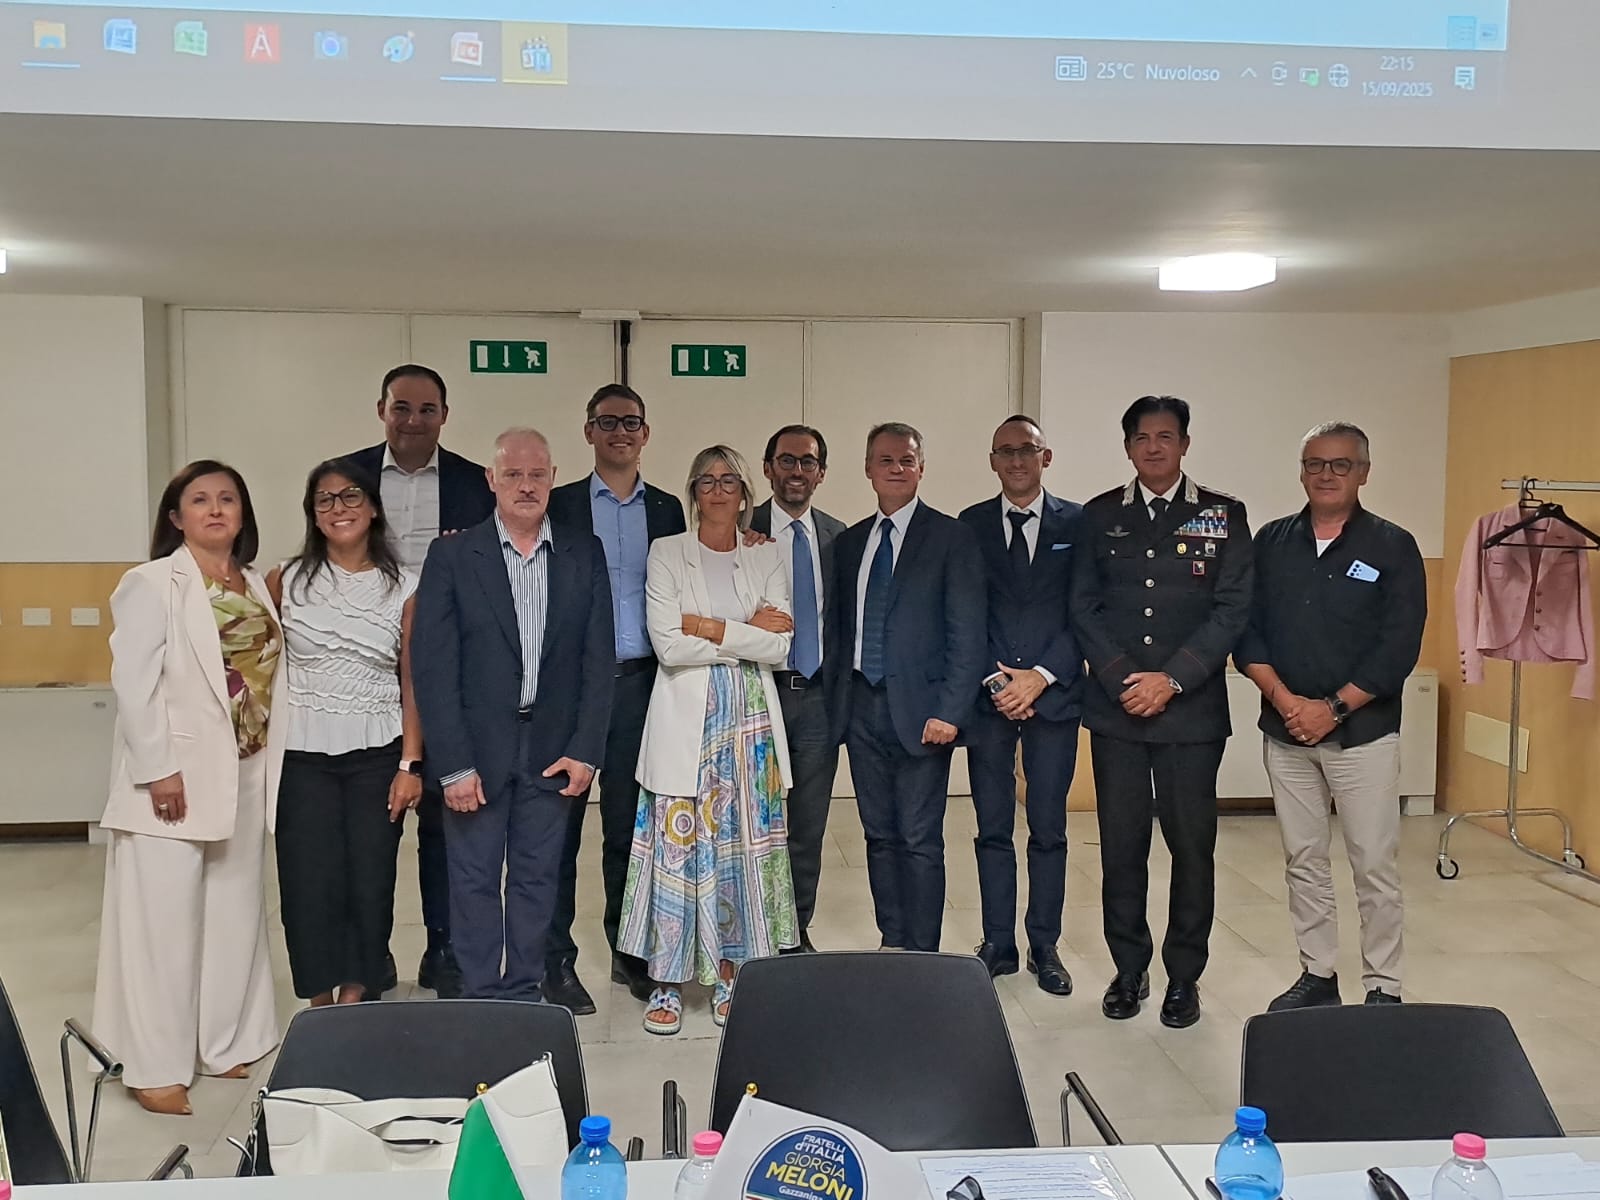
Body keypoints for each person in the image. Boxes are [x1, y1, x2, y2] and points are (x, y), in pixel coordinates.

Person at [91, 461, 285, 1116]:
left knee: (233, 917)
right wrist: (158, 768)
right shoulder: (152, 583)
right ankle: (155, 1066)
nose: (215, 509)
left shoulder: (252, 582)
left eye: (227, 498)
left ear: (243, 512)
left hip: (244, 772)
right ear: (176, 517)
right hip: (171, 781)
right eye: (199, 500)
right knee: (164, 926)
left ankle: (223, 1041)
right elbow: (133, 683)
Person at [411, 428, 614, 1001]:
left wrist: (586, 751)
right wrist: (452, 764)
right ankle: (481, 1001)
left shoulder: (583, 552)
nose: (526, 486)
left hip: (553, 749)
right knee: (473, 880)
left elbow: (599, 660)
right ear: (492, 480)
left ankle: (524, 995)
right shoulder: (452, 556)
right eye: (514, 474)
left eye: (537, 475)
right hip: (474, 752)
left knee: (537, 878)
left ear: (553, 479)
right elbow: (433, 668)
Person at [1070, 396, 1252, 1029]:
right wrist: (1125, 678)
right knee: (1122, 846)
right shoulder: (1100, 515)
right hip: (1119, 709)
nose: (1153, 447)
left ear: (1184, 444)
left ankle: (1183, 976)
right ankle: (1129, 969)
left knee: (1191, 847)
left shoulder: (1223, 514)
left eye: (1165, 437)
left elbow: (1232, 608)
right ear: (1127, 448)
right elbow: (1083, 606)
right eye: (1142, 438)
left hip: (1190, 713)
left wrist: (1172, 679)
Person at [1235, 422, 1426, 1009]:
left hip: (1363, 735)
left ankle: (1383, 985)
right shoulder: (1271, 542)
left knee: (1373, 864)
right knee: (1304, 860)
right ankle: (1317, 975)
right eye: (1315, 463)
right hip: (1286, 732)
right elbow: (1247, 632)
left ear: (1363, 473)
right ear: (1301, 471)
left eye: (1341, 464)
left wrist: (1335, 708)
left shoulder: (1393, 546)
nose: (1326, 474)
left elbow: (1398, 646)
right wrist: (1287, 703)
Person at [618, 445, 798, 1034]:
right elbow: (668, 646)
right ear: (693, 491)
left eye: (729, 480)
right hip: (685, 720)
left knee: (739, 847)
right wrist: (742, 632)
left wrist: (707, 626)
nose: (718, 490)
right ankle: (667, 982)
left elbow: (780, 646)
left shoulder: (765, 553)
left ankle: (730, 973)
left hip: (749, 723)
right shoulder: (667, 551)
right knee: (677, 846)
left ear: (745, 493)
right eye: (706, 480)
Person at [344, 363, 493, 999]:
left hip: (449, 669)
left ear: (445, 416)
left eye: (427, 409)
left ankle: (444, 948)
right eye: (401, 407)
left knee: (445, 820)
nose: (413, 420)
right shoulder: (347, 477)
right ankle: (369, 955)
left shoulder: (473, 484)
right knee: (370, 827)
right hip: (366, 671)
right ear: (381, 409)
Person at [544, 384, 687, 1012]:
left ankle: (631, 955)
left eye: (631, 422)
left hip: (642, 687)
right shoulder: (560, 504)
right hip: (573, 691)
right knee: (559, 831)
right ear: (588, 431)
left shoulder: (667, 508)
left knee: (631, 833)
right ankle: (554, 962)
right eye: (607, 422)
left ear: (646, 432)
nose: (620, 432)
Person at [267, 459, 422, 1008]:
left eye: (351, 496)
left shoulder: (404, 585)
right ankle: (319, 1001)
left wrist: (410, 764)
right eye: (325, 500)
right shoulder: (285, 580)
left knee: (370, 880)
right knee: (307, 884)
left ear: (373, 507)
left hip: (377, 754)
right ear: (313, 513)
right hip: (300, 756)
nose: (339, 508)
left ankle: (356, 995)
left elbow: (412, 680)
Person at [827, 423, 986, 955]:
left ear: (921, 468)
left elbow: (968, 633)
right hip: (861, 707)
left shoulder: (951, 538)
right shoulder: (850, 543)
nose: (896, 468)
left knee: (919, 838)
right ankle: (892, 942)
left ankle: (923, 953)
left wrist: (951, 711)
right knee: (878, 835)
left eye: (907, 460)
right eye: (885, 459)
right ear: (868, 469)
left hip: (924, 714)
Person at [958, 415, 1084, 996]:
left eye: (1027, 450)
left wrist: (1038, 677)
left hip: (1054, 698)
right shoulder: (970, 525)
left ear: (1046, 457)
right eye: (1004, 451)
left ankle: (1044, 945)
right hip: (989, 704)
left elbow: (1086, 612)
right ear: (992, 460)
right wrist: (997, 684)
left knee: (1049, 828)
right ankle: (997, 943)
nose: (1016, 460)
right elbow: (964, 613)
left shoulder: (1078, 523)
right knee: (991, 828)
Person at [750, 424, 847, 953]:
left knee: (808, 824)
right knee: (752, 820)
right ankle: (749, 928)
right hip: (756, 694)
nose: (796, 471)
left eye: (807, 462)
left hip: (816, 698)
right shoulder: (740, 529)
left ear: (821, 473)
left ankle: (793, 930)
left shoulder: (838, 535)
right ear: (768, 468)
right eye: (786, 460)